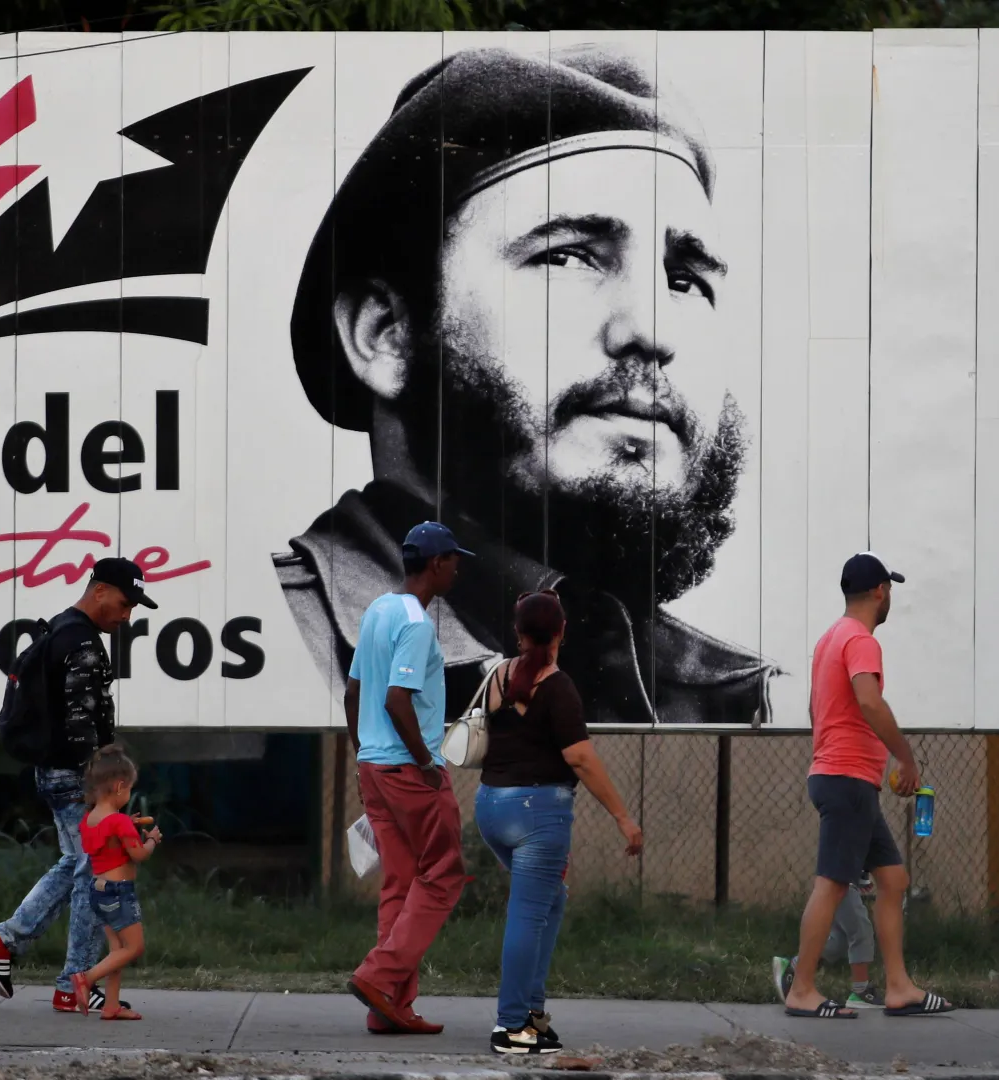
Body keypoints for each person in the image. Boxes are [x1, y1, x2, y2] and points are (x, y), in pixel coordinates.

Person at [276, 43, 780, 727]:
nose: (654, 330)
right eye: (568, 255)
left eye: (685, 280)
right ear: (386, 335)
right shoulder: (277, 643)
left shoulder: (732, 695)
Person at [0, 557, 158, 1013]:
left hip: (53, 771)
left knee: (77, 864)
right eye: (123, 602)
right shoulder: (82, 642)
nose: (126, 614)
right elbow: (81, 724)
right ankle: (71, 980)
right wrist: (99, 790)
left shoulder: (60, 628)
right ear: (98, 591)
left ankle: (9, 945)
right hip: (76, 776)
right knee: (96, 870)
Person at [782, 552, 954, 1019]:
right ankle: (801, 989)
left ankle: (898, 987)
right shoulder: (860, 640)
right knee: (832, 884)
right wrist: (904, 756)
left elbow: (820, 711)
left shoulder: (828, 640)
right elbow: (869, 700)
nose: (890, 596)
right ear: (880, 592)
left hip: (844, 778)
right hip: (848, 780)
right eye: (890, 589)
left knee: (893, 880)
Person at [475, 590, 644, 1055]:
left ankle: (532, 1018)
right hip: (538, 815)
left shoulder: (498, 676)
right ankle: (511, 1027)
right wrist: (624, 817)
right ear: (562, 632)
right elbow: (580, 758)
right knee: (529, 912)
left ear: (518, 632)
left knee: (549, 901)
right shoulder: (557, 686)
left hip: (491, 807)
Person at [343, 521, 472, 1034]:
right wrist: (425, 762)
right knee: (443, 874)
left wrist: (363, 754)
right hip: (406, 767)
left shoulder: (379, 609)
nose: (457, 569)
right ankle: (377, 976)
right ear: (437, 564)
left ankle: (388, 1007)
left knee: (400, 882)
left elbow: (354, 693)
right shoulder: (418, 624)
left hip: (375, 767)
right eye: (454, 561)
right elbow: (399, 700)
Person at [71, 745, 163, 1019]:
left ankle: (111, 1005)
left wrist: (127, 825)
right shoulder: (119, 822)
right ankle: (86, 979)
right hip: (118, 893)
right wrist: (151, 841)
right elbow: (138, 855)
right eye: (130, 789)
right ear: (120, 785)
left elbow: (106, 840)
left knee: (117, 950)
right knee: (134, 947)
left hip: (97, 892)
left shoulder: (89, 820)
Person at [772, 873, 884, 1010]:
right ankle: (861, 991)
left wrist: (861, 876)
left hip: (847, 879)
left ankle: (794, 967)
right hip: (841, 878)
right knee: (861, 930)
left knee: (838, 942)